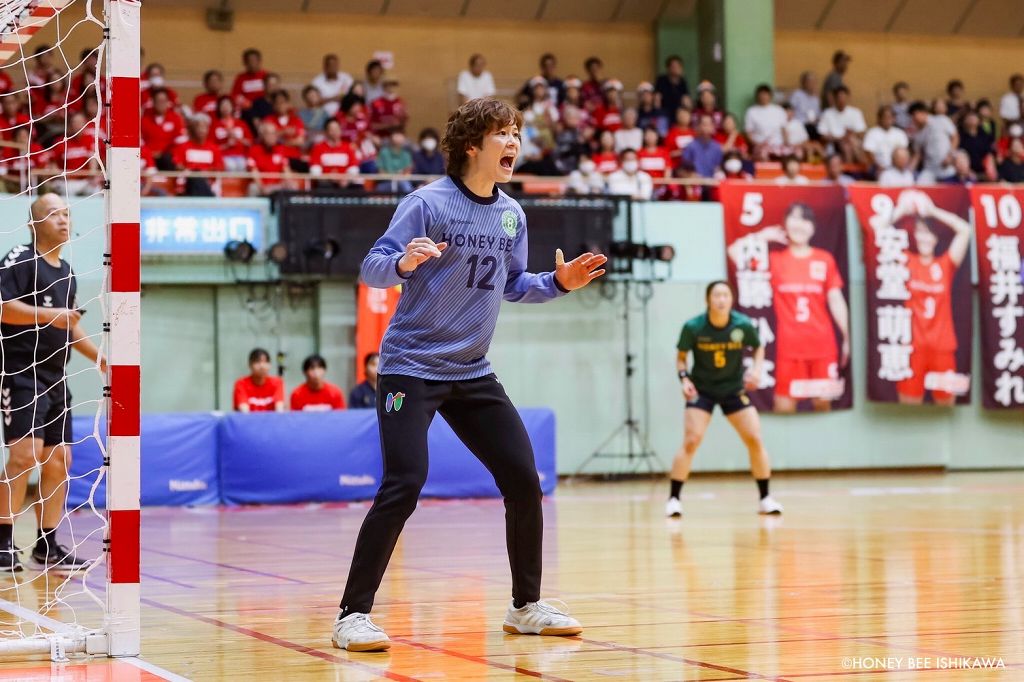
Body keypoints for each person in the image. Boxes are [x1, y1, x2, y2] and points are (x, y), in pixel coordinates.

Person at [331, 97, 607, 652]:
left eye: (517, 132)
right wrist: (404, 262)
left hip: (472, 370)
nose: (514, 142)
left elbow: (514, 283)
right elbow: (371, 267)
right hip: (411, 368)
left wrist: (559, 283)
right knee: (405, 482)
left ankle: (525, 607)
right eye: (503, 133)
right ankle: (352, 615)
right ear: (472, 146)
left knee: (523, 479)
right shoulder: (426, 203)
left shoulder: (512, 214)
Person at [0, 194, 103, 572]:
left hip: (56, 377)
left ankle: (47, 546)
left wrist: (101, 359)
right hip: (20, 373)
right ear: (33, 224)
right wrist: (49, 315)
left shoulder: (68, 273)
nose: (63, 219)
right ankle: (2, 543)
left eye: (66, 214)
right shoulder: (20, 258)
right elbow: (3, 307)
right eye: (53, 214)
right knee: (24, 456)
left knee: (60, 460)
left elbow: (70, 326)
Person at [667, 281, 783, 518]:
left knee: (755, 438)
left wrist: (757, 370)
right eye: (716, 295)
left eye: (726, 295)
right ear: (708, 300)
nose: (721, 299)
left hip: (733, 389)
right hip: (702, 390)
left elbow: (758, 347)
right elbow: (681, 358)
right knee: (691, 440)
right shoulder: (693, 327)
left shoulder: (742, 325)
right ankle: (674, 499)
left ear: (731, 300)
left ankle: (765, 498)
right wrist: (684, 379)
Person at [729, 203, 850, 413]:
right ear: (785, 224)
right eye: (794, 218)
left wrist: (847, 337)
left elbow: (836, 300)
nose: (799, 225)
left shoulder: (824, 259)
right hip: (789, 348)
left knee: (823, 403)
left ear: (813, 227)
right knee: (784, 405)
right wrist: (762, 236)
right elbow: (734, 251)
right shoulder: (774, 260)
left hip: (823, 346)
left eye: (805, 219)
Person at [887, 191, 971, 406]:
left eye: (928, 233)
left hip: (942, 347)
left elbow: (965, 230)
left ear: (936, 238)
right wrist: (901, 210)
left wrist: (932, 211)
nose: (924, 238)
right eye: (920, 232)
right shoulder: (906, 261)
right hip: (913, 348)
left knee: (946, 404)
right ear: (914, 236)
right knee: (909, 406)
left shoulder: (945, 265)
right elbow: (877, 230)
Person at [233, 348, 284, 412]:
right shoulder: (241, 383)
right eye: (257, 362)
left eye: (265, 362)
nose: (262, 366)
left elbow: (279, 409)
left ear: (269, 365)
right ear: (250, 365)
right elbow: (244, 411)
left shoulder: (277, 382)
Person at [311, 53, 354, 118]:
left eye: (334, 65)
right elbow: (314, 102)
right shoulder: (317, 82)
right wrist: (333, 98)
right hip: (323, 116)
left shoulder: (346, 78)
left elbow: (354, 98)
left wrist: (344, 99)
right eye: (330, 65)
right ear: (324, 67)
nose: (332, 68)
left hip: (345, 116)